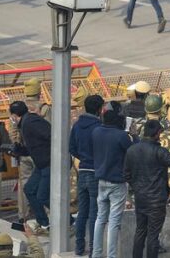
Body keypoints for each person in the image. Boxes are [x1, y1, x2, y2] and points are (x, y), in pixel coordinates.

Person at [124, 119, 170, 258]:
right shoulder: (159, 151)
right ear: (158, 133)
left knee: (140, 231)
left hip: (140, 198)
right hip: (156, 199)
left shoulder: (132, 150)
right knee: (153, 235)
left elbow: (126, 175)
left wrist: (138, 188)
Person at [92, 102, 132, 258]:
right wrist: (132, 135)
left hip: (101, 181)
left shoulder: (96, 132)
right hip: (117, 183)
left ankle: (96, 254)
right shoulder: (122, 136)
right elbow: (132, 150)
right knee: (114, 221)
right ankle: (111, 256)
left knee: (100, 219)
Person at [9, 99, 51, 235]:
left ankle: (66, 221)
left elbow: (51, 135)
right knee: (30, 190)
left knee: (42, 196)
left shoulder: (30, 122)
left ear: (14, 116)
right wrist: (19, 150)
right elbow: (32, 147)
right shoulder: (25, 123)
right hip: (41, 163)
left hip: (49, 163)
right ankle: (44, 222)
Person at [69, 94, 103, 256]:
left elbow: (72, 148)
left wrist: (83, 157)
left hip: (82, 171)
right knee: (94, 213)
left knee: (82, 212)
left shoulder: (77, 125)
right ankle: (93, 248)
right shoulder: (99, 126)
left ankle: (79, 247)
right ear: (99, 109)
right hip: (95, 172)